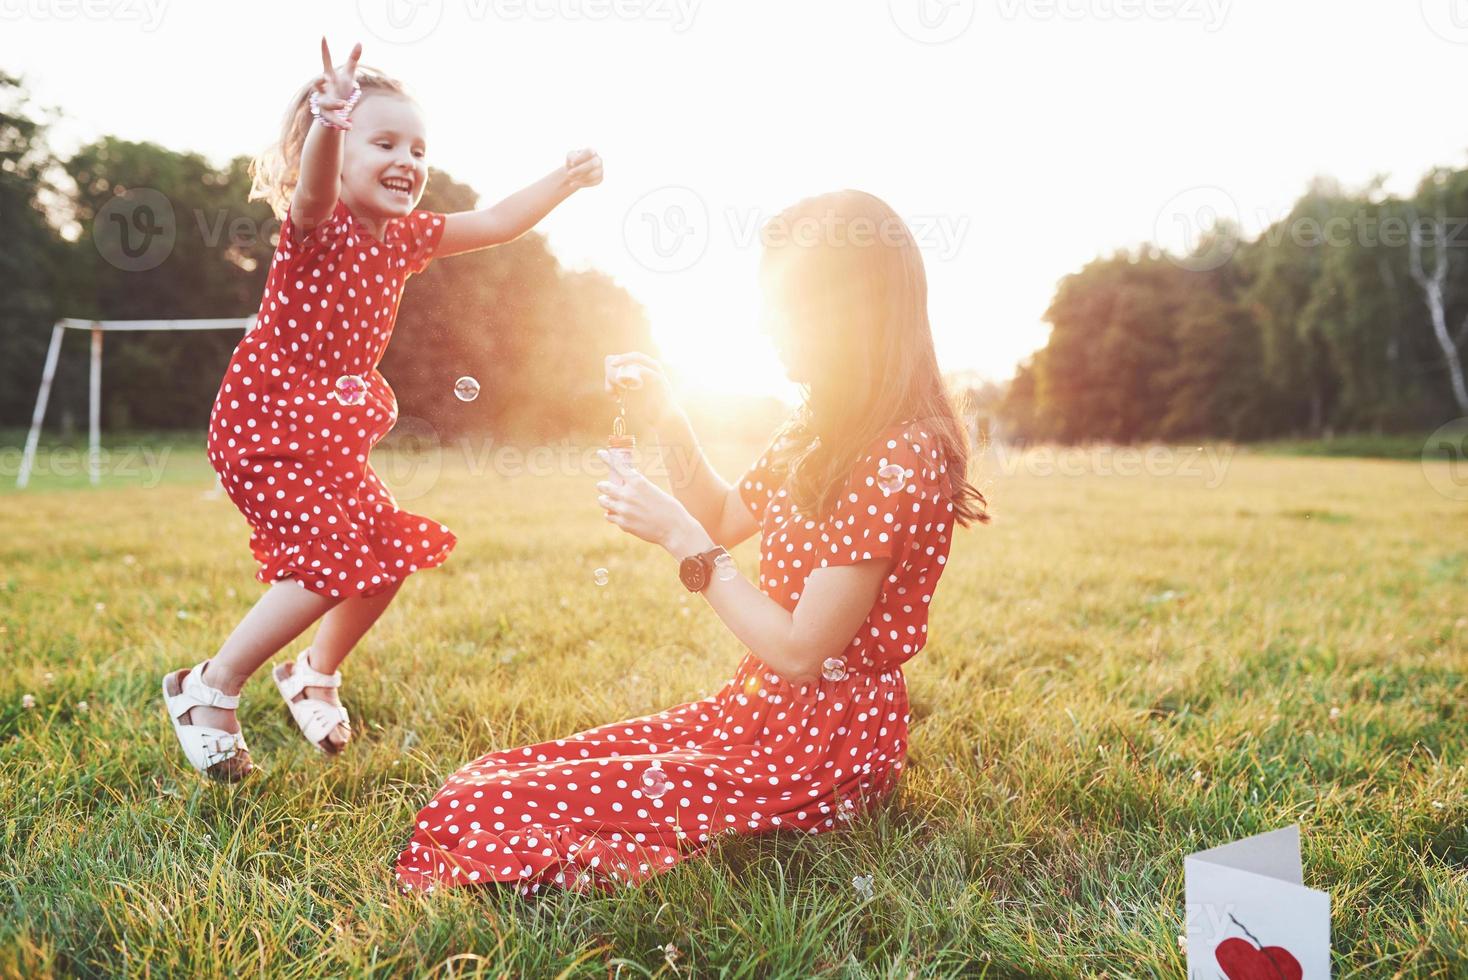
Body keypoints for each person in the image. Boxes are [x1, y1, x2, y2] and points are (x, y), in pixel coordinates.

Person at [395, 189, 987, 895]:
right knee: (496, 778)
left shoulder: (898, 455)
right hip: (760, 711)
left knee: (497, 807)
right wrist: (669, 415)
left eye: (783, 303)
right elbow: (724, 510)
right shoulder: (819, 429)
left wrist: (685, 543)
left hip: (824, 750)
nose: (765, 323)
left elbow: (801, 650)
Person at [161, 39, 603, 781]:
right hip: (267, 428)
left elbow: (495, 222)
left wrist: (562, 180)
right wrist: (331, 122)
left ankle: (312, 674)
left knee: (386, 551)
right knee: (329, 562)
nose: (408, 159)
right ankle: (208, 687)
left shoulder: (404, 240)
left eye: (419, 147)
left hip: (329, 438)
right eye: (386, 142)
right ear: (331, 145)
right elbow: (310, 190)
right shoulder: (317, 228)